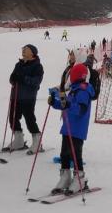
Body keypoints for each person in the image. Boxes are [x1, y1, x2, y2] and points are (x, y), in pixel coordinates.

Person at [48, 62, 95, 195]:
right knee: (64, 154)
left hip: (78, 128)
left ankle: (79, 178)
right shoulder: (74, 89)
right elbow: (65, 105)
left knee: (76, 154)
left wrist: (68, 104)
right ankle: (65, 177)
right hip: (67, 126)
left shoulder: (84, 90)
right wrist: (55, 102)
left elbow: (80, 109)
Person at [7, 44, 44, 153]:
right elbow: (12, 78)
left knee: (29, 119)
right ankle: (18, 140)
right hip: (16, 96)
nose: (23, 51)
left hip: (28, 97)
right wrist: (13, 79)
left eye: (26, 49)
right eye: (22, 49)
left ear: (33, 52)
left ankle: (37, 141)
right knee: (12, 118)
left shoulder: (37, 66)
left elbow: (36, 82)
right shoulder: (18, 64)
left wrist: (23, 78)